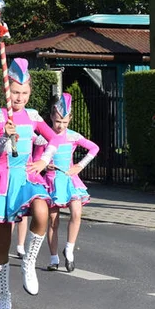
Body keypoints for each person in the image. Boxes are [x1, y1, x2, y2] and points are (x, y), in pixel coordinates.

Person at [0, 58, 57, 309]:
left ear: (29, 92)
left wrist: (43, 160)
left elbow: (55, 138)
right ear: (6, 91)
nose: (19, 97)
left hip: (25, 177)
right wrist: (2, 138)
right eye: (15, 92)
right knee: (2, 243)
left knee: (42, 211)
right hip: (1, 179)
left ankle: (29, 261)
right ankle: (3, 294)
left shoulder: (32, 116)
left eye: (24, 92)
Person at [41, 93, 98, 273]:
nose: (61, 126)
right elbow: (34, 160)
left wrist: (79, 166)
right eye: (58, 121)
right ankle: (53, 257)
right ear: (51, 117)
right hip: (51, 181)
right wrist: (44, 166)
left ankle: (70, 250)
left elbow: (94, 148)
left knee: (76, 212)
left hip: (70, 179)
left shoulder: (73, 136)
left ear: (70, 119)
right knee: (53, 221)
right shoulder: (44, 138)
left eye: (65, 122)